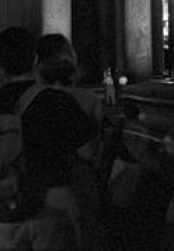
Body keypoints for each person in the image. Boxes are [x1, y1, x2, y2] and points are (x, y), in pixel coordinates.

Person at [0, 27, 96, 251]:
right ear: (34, 59)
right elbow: (88, 150)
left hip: (2, 208)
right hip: (52, 204)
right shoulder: (56, 100)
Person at [35, 33, 105, 251]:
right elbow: (89, 150)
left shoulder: (30, 98)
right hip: (77, 179)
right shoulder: (88, 99)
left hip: (38, 181)